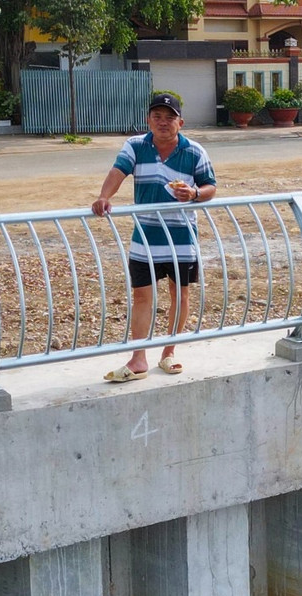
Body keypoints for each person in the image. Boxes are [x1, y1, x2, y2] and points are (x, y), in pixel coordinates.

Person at [91, 93, 217, 381]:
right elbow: (118, 171)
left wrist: (194, 193)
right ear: (148, 120)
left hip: (182, 238)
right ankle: (138, 359)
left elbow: (210, 186)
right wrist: (103, 197)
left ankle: (168, 353)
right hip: (145, 237)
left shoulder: (195, 151)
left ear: (180, 122)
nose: (163, 123)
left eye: (169, 117)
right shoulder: (136, 146)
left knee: (180, 294)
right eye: (157, 117)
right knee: (142, 296)